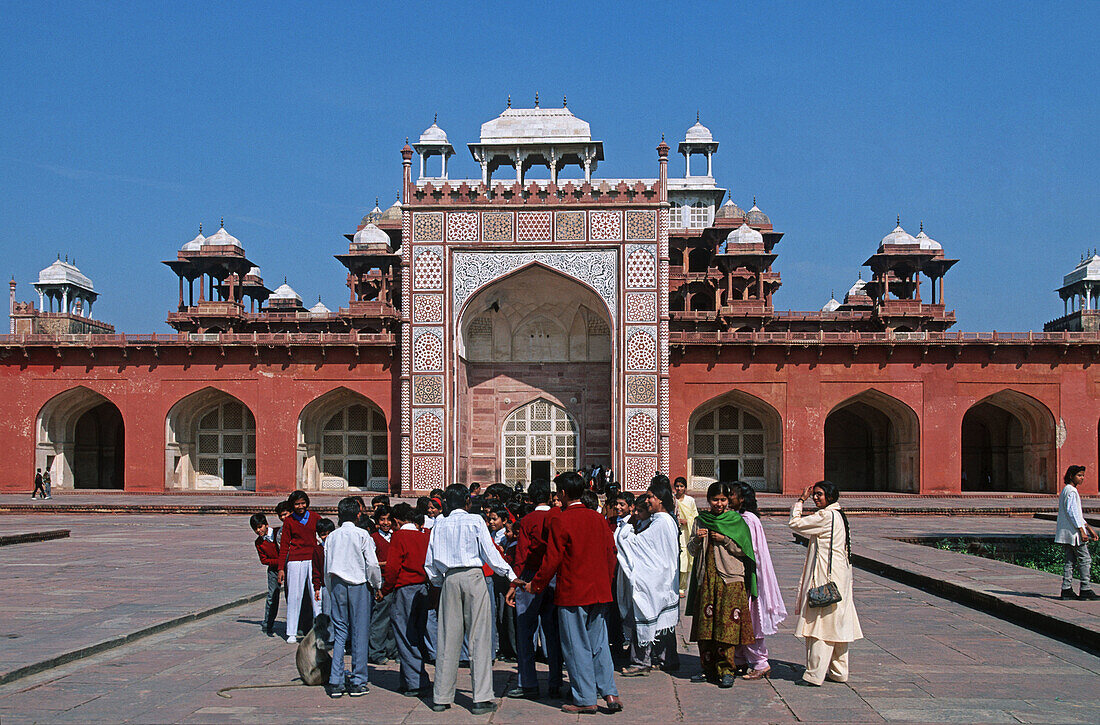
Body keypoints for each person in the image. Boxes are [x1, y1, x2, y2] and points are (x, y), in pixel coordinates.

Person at [520, 472, 622, 714]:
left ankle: (585, 697)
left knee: (576, 645)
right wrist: (606, 581)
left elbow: (552, 559)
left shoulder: (562, 520)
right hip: (599, 590)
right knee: (599, 643)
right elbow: (611, 554)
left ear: (563, 494)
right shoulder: (598, 519)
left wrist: (535, 585)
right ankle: (609, 692)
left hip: (573, 590)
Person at [424, 484, 519, 715]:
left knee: (448, 638)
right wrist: (510, 575)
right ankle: (481, 697)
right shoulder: (475, 521)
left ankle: (441, 697)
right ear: (468, 501)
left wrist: (440, 583)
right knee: (479, 637)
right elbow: (490, 553)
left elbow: (430, 562)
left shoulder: (439, 524)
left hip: (449, 578)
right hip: (474, 577)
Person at [789, 481, 862, 687]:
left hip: (824, 578)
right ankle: (839, 672)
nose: (815, 498)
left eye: (819, 494)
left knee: (819, 626)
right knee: (837, 625)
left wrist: (800, 501)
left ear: (830, 496)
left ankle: (814, 674)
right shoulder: (838, 514)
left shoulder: (825, 516)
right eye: (814, 495)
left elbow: (795, 524)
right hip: (840, 577)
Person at [686, 481, 756, 688]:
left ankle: (727, 669)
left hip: (730, 579)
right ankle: (707, 668)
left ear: (728, 500)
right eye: (715, 499)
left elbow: (745, 550)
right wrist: (698, 540)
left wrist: (724, 539)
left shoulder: (736, 521)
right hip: (706, 578)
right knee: (706, 627)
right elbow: (691, 549)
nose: (719, 503)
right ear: (708, 500)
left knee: (727, 627)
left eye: (723, 499)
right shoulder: (701, 520)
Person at [615, 475, 681, 676]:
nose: (647, 500)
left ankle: (640, 662)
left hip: (655, 579)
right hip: (663, 578)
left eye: (650, 497)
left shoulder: (661, 522)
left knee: (643, 614)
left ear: (660, 499)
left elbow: (639, 545)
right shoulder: (663, 520)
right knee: (662, 621)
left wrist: (624, 532)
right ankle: (668, 659)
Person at [505, 481, 563, 700]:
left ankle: (528, 682)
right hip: (554, 576)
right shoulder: (558, 516)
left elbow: (521, 554)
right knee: (553, 631)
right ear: (549, 496)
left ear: (529, 498)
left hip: (530, 576)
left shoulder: (528, 520)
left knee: (526, 630)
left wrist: (514, 583)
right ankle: (555, 681)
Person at [324, 497, 382, 698]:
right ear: (358, 515)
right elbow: (372, 565)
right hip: (358, 584)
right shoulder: (362, 535)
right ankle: (358, 681)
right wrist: (377, 585)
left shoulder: (332, 537)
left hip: (337, 583)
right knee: (359, 632)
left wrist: (329, 587)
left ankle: (336, 680)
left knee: (340, 631)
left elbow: (327, 565)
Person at [733, 481, 786, 680]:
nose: (729, 499)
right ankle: (740, 659)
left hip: (749, 576)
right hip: (741, 576)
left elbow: (751, 549)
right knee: (739, 618)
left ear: (742, 499)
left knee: (752, 620)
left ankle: (760, 663)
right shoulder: (740, 517)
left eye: (732, 495)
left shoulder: (749, 519)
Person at [383, 502, 431, 696]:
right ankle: (408, 679)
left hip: (405, 589)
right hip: (424, 588)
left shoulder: (399, 536)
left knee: (404, 634)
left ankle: (416, 682)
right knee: (416, 634)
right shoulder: (424, 535)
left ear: (396, 521)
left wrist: (385, 589)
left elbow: (393, 567)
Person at [278, 490, 321, 643]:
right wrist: (281, 568)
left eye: (303, 503)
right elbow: (284, 546)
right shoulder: (289, 521)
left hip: (312, 559)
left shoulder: (315, 517)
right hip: (295, 560)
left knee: (316, 594)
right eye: (297, 504)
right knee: (294, 595)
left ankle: (320, 631)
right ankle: (291, 631)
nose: (300, 506)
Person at [1056, 465, 1098, 600]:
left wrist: (1089, 528)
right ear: (1071, 476)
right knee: (1085, 559)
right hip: (1074, 533)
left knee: (1070, 560)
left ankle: (1066, 588)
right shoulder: (1072, 491)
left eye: (1083, 475)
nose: (1082, 478)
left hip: (1067, 533)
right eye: (1079, 475)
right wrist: (1082, 531)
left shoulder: (1066, 490)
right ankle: (1085, 588)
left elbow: (1077, 514)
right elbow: (1072, 513)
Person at [369, 506, 399, 663]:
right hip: (382, 581)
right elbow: (371, 562)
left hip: (396, 581)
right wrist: (388, 563)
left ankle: (392, 649)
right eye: (382, 519)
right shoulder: (373, 538)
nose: (385, 523)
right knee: (380, 618)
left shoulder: (397, 537)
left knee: (395, 617)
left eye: (388, 519)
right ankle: (376, 651)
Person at [251, 513, 281, 636]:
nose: (258, 531)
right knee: (272, 596)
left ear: (266, 524)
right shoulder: (259, 542)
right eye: (255, 529)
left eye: (260, 527)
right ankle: (268, 623)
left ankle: (299, 624)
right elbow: (264, 560)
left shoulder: (278, 532)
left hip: (288, 567)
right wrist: (279, 562)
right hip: (274, 569)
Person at [673, 476, 699, 597]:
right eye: (677, 486)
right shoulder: (672, 500)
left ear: (685, 488)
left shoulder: (690, 501)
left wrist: (687, 521)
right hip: (676, 533)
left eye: (681, 486)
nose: (679, 488)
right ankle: (676, 586)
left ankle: (682, 587)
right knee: (678, 560)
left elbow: (695, 516)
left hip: (687, 533)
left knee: (686, 560)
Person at [315, 518, 336, 617]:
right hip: (325, 586)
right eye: (323, 534)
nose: (327, 537)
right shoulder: (318, 550)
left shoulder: (338, 547)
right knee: (327, 612)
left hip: (337, 584)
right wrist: (317, 588)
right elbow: (315, 570)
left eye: (329, 533)